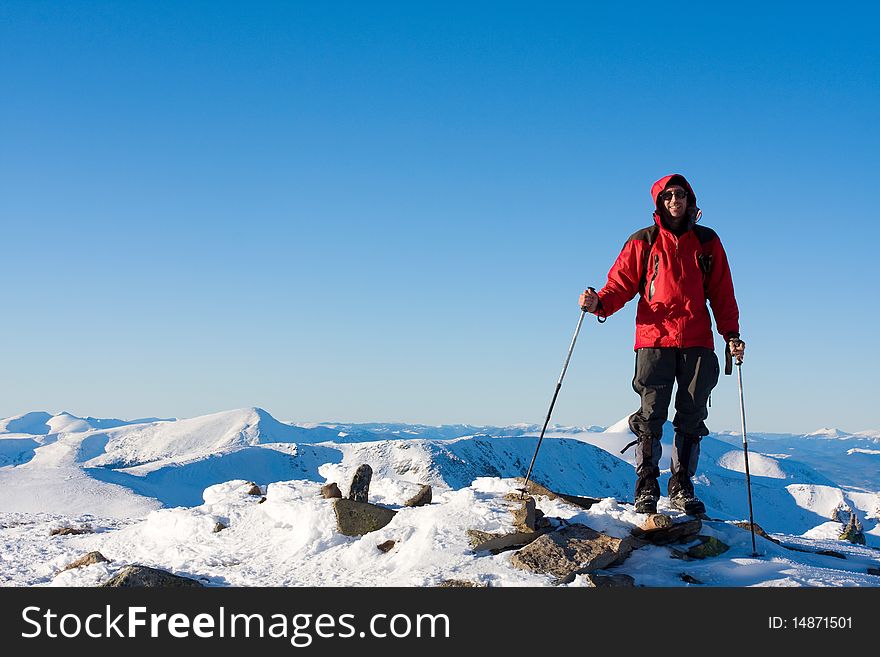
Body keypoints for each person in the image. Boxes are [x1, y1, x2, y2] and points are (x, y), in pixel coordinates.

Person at [578, 174, 745, 515]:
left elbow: (722, 292)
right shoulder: (644, 240)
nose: (674, 201)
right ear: (659, 201)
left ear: (689, 198)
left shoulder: (707, 241)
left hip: (697, 339)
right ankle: (647, 487)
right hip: (654, 338)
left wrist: (731, 335)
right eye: (668, 195)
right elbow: (620, 283)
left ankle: (682, 487)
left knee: (692, 413)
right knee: (651, 414)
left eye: (680, 194)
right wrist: (600, 303)